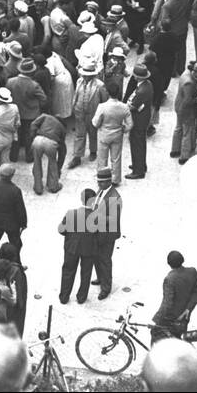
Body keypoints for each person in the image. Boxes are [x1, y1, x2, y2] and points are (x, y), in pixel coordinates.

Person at [151, 250, 197, 341]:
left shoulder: (170, 279)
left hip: (172, 318)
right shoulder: (192, 272)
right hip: (184, 317)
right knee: (177, 339)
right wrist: (188, 309)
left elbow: (167, 303)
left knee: (155, 332)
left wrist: (157, 318)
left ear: (169, 264)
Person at [58, 188, 97, 304]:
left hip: (71, 247)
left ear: (82, 199)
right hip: (89, 249)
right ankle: (81, 297)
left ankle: (64, 297)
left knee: (68, 271)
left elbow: (61, 230)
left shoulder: (71, 213)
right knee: (86, 272)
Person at [91, 81, 133, 185]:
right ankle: (115, 179)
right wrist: (125, 129)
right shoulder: (124, 107)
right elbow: (130, 124)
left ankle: (102, 179)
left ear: (108, 93)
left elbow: (95, 123)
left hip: (104, 135)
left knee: (102, 159)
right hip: (117, 134)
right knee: (116, 158)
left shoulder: (102, 106)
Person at [91, 169, 122, 300]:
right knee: (96, 257)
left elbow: (114, 219)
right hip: (97, 232)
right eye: (98, 181)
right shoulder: (101, 190)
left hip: (107, 235)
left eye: (101, 182)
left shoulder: (114, 197)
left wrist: (97, 217)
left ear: (109, 181)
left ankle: (106, 287)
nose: (99, 184)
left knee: (105, 260)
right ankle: (100, 277)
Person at [171, 61, 197, 164]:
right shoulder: (189, 83)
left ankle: (175, 150)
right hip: (186, 110)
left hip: (179, 105)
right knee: (187, 132)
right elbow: (188, 101)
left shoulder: (186, 74)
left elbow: (196, 81)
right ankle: (184, 156)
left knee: (178, 128)